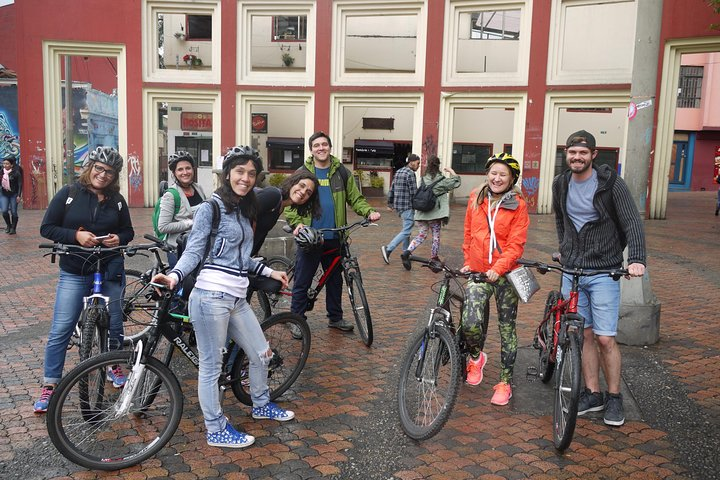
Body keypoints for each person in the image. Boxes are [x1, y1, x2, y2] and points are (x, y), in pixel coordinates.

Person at [152, 146, 293, 449]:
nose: (246, 178)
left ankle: (260, 403)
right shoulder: (210, 208)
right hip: (210, 297)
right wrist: (174, 276)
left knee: (261, 354)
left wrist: (269, 271)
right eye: (240, 171)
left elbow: (241, 258)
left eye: (251, 173)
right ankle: (215, 429)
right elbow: (194, 250)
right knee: (212, 368)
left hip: (236, 299)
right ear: (228, 174)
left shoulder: (244, 210)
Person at [552, 130, 646, 427]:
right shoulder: (561, 183)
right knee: (584, 335)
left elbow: (631, 220)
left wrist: (637, 260)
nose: (577, 157)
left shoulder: (610, 184)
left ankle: (614, 397)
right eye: (572, 152)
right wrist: (563, 248)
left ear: (593, 154)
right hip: (573, 272)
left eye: (583, 152)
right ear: (566, 155)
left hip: (604, 271)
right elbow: (560, 219)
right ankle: (593, 394)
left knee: (605, 338)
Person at [34, 146, 134, 413]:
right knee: (62, 327)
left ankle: (113, 365)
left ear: (115, 176)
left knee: (115, 322)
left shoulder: (117, 200)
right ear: (89, 167)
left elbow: (128, 231)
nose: (103, 175)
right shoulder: (69, 194)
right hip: (75, 268)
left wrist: (119, 239)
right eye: (99, 168)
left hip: (110, 266)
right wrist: (75, 236)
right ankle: (50, 383)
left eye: (109, 172)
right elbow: (47, 227)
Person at [284, 131, 381, 333]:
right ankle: (297, 321)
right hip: (310, 238)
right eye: (316, 145)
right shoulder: (303, 173)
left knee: (335, 281)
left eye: (324, 144)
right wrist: (297, 225)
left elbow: (355, 199)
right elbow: (290, 203)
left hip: (335, 237)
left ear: (329, 147)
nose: (321, 148)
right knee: (302, 281)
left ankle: (335, 318)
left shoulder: (342, 173)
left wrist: (369, 211)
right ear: (311, 150)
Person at [459, 153, 528, 406]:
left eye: (503, 175)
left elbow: (516, 244)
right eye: (493, 173)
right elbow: (468, 232)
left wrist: (498, 269)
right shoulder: (476, 198)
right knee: (470, 322)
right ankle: (476, 358)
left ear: (511, 179)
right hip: (478, 271)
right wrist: (468, 259)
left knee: (506, 328)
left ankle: (504, 382)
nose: (496, 178)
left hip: (506, 275)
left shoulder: (518, 205)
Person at [399, 155, 461, 270]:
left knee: (421, 235)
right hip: (434, 215)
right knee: (436, 237)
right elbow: (456, 182)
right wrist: (451, 171)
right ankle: (434, 257)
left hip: (421, 213)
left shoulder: (422, 179)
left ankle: (407, 251)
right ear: (438, 166)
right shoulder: (441, 181)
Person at [252, 170, 321, 257]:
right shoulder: (274, 195)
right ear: (293, 182)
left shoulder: (281, 206)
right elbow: (242, 215)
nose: (303, 192)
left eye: (308, 193)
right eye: (301, 185)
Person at [156, 151, 208, 267]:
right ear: (174, 173)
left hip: (198, 247)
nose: (185, 172)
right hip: (179, 250)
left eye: (188, 168)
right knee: (181, 284)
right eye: (180, 169)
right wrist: (190, 223)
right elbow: (163, 227)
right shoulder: (171, 195)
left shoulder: (198, 188)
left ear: (193, 169)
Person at [380, 153, 420, 264]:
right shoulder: (410, 173)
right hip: (408, 206)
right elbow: (414, 193)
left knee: (406, 231)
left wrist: (390, 203)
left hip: (399, 207)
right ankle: (388, 249)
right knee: (406, 231)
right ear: (411, 162)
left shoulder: (398, 171)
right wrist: (419, 206)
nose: (419, 165)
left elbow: (392, 188)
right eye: (418, 163)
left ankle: (405, 255)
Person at [1, 156, 23, 234]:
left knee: (14, 212)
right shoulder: (1, 172)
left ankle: (13, 228)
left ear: (11, 165)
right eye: (4, 163)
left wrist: (19, 195)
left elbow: (20, 184)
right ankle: (8, 225)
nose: (5, 165)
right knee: (4, 211)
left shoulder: (16, 173)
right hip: (4, 193)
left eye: (7, 164)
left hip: (14, 194)